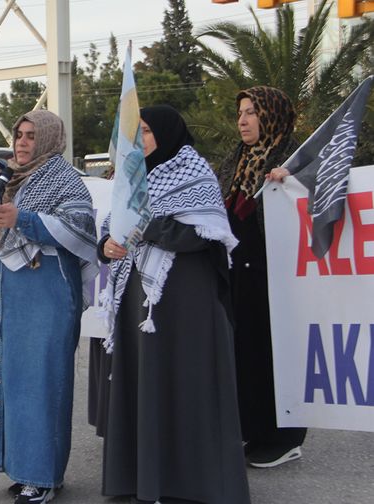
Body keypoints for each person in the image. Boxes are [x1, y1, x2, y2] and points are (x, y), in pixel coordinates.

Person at [99, 105, 250, 504]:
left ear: (166, 133)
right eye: (137, 133)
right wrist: (107, 244)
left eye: (146, 132)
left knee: (184, 383)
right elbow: (111, 226)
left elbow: (206, 234)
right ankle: (141, 477)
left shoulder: (193, 171)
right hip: (138, 302)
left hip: (184, 303)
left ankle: (191, 482)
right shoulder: (132, 177)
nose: (140, 140)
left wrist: (146, 225)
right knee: (144, 381)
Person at [0, 110, 98, 504]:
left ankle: (42, 478)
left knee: (41, 381)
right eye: (18, 135)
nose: (21, 143)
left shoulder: (64, 178)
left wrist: (22, 219)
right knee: (6, 376)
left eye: (29, 136)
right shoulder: (5, 178)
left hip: (47, 291)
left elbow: (80, 229)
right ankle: (22, 468)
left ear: (48, 139)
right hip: (5, 288)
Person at [216, 86, 307, 468]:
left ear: (271, 115)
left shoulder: (295, 156)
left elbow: (322, 195)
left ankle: (286, 438)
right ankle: (254, 428)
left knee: (275, 352)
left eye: (252, 112)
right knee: (246, 351)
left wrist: (292, 181)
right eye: (240, 112)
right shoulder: (237, 159)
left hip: (276, 274)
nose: (243, 120)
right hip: (240, 273)